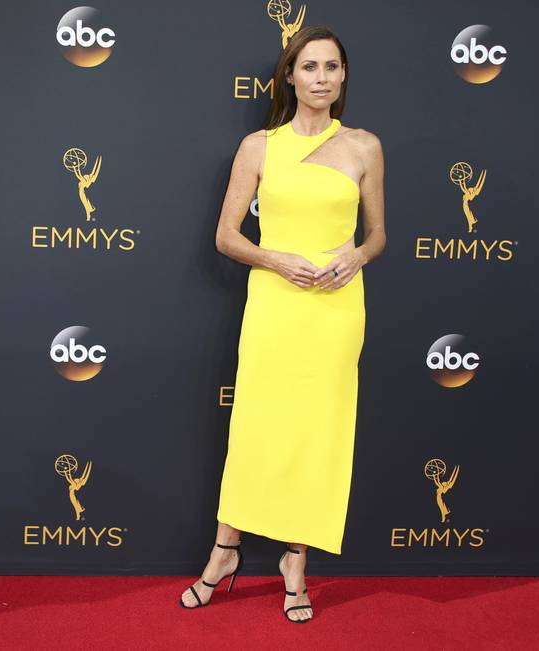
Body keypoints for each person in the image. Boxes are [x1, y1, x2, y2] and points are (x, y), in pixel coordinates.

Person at [179, 25, 385, 623]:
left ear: (343, 77)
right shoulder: (258, 147)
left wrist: (356, 255)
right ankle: (225, 552)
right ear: (289, 76)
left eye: (332, 67)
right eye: (310, 67)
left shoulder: (365, 147)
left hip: (337, 308)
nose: (321, 78)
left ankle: (295, 562)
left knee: (317, 434)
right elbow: (225, 237)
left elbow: (378, 236)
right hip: (274, 301)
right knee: (256, 427)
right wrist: (276, 258)